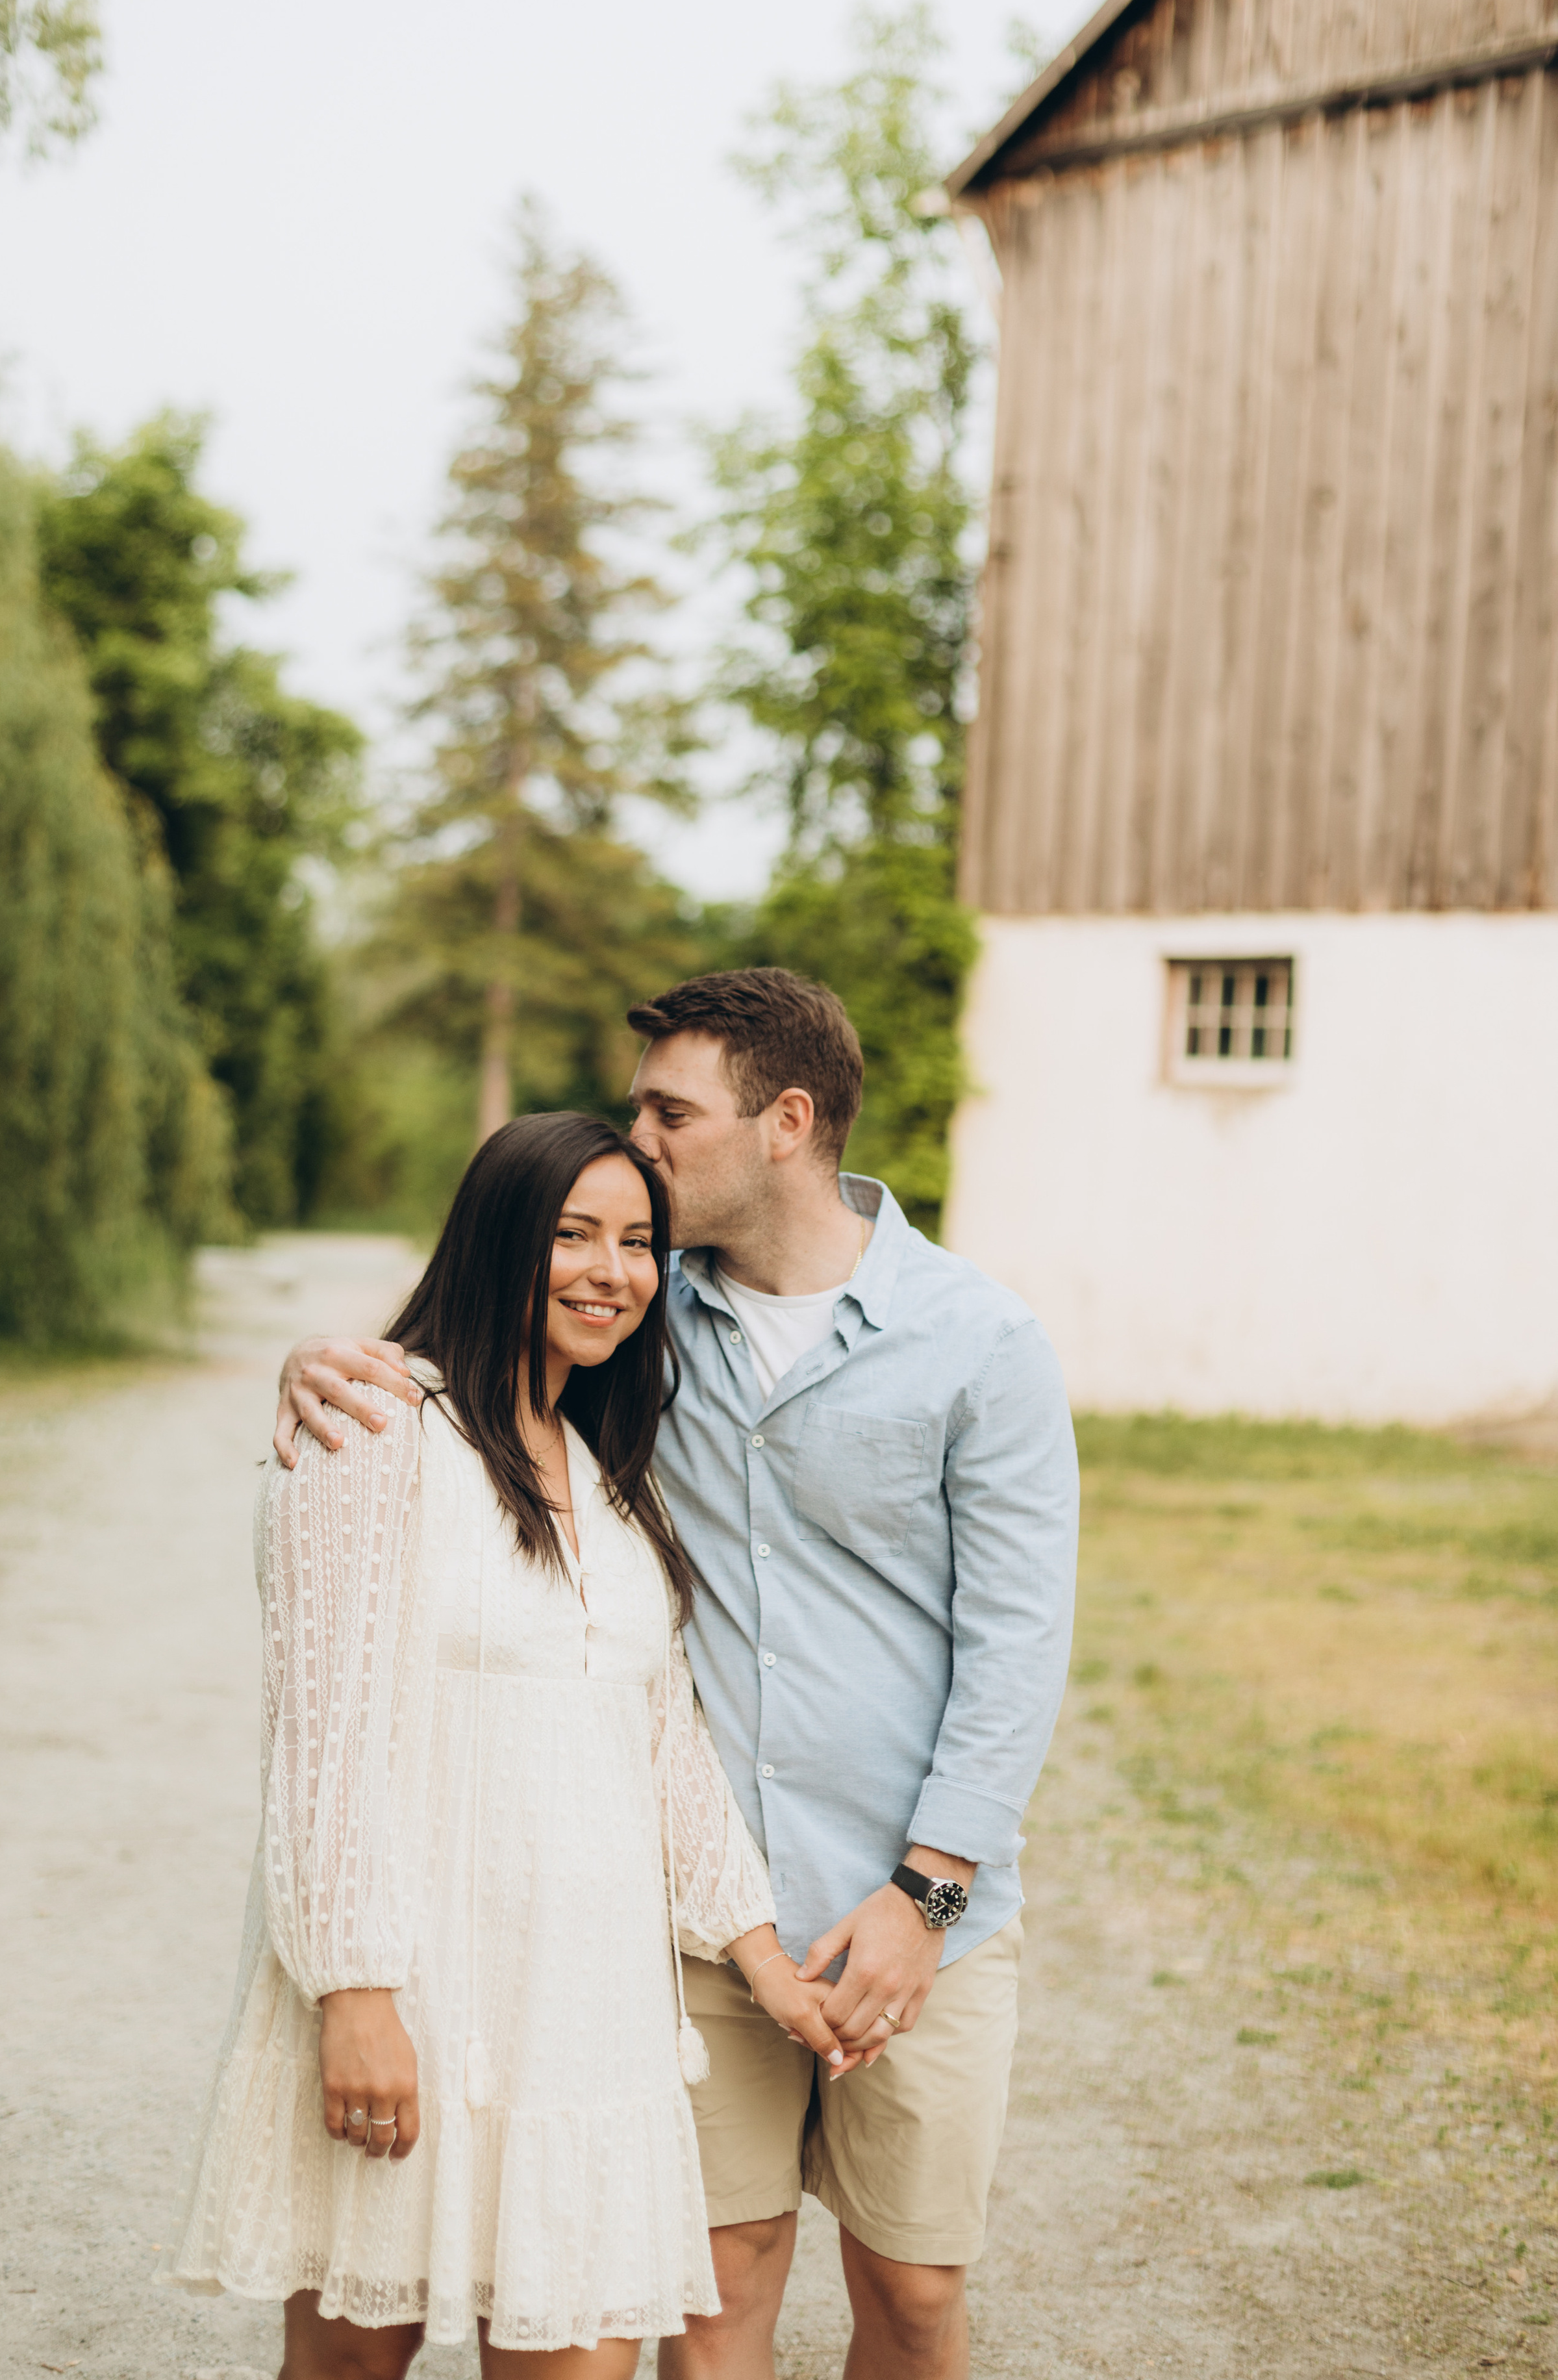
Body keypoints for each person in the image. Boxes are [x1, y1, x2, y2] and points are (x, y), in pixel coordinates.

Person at [275, 970, 1081, 2380]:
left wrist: (927, 1895)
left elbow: (1016, 1645)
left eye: (667, 1112)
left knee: (911, 2289)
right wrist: (316, 1366)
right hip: (692, 1917)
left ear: (782, 1120)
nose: (637, 1141)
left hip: (912, 1906)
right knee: (711, 2293)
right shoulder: (643, 1320)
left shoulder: (981, 1343)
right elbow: (472, 1350)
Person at [165, 1110, 855, 2380]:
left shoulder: (604, 1465)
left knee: (577, 2358)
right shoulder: (371, 1432)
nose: (614, 1271)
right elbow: (323, 1737)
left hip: (588, 2012)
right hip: (415, 1985)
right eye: (573, 1234)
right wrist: (352, 1993)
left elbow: (659, 1742)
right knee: (347, 2363)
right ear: (496, 1243)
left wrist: (764, 1959)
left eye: (639, 1243)